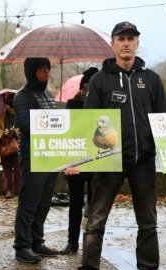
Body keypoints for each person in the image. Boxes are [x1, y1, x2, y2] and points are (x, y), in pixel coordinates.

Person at [73, 22, 166, 270]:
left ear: (137, 43)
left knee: (148, 223)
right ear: (114, 44)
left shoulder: (151, 80)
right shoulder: (100, 81)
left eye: (131, 38)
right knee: (94, 222)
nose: (126, 43)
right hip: (108, 162)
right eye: (121, 39)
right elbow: (86, 125)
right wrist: (75, 161)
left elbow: (165, 121)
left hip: (143, 163)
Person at [12, 57, 61, 264]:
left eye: (49, 70)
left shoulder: (47, 95)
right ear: (32, 72)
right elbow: (24, 123)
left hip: (51, 156)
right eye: (43, 70)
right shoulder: (23, 96)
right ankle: (22, 245)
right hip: (33, 156)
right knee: (29, 202)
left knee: (44, 203)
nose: (47, 74)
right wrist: (51, 125)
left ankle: (36, 240)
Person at [60, 67, 98, 255]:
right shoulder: (72, 104)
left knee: (94, 203)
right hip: (76, 159)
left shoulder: (103, 105)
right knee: (75, 202)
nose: (87, 91)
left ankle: (90, 241)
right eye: (86, 88)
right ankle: (72, 242)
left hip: (98, 159)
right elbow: (68, 130)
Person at [0, 93, 20, 199]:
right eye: (7, 105)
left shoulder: (20, 115)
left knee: (18, 169)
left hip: (17, 146)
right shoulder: (2, 117)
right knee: (6, 170)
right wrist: (3, 133)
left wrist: (14, 132)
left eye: (10, 105)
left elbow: (24, 129)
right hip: (4, 146)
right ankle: (9, 190)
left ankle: (18, 190)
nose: (8, 107)